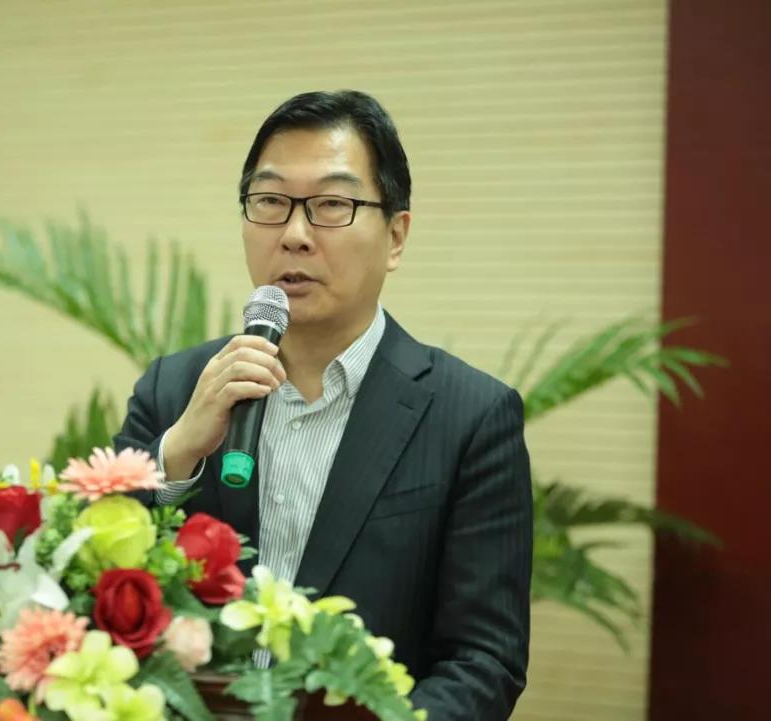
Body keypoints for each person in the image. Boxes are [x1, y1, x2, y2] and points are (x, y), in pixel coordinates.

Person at [114, 90, 532, 721]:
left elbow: (484, 661)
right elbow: (96, 585)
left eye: (333, 205)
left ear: (396, 236)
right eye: (270, 202)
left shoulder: (470, 417)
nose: (294, 235)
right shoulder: (173, 391)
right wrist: (176, 455)